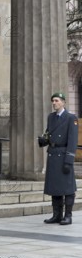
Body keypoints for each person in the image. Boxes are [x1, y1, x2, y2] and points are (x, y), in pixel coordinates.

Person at [39, 92, 79, 225]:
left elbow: (73, 141)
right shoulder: (51, 117)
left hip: (63, 156)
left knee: (67, 188)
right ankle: (57, 215)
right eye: (53, 101)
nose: (54, 103)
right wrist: (43, 141)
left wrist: (69, 160)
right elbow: (49, 134)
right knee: (55, 187)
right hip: (53, 154)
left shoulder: (70, 117)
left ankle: (68, 216)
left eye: (56, 100)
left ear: (63, 102)